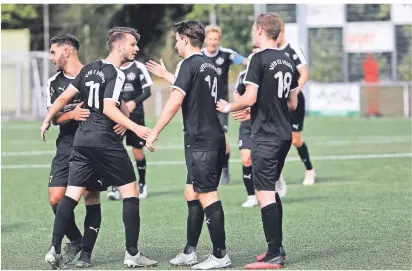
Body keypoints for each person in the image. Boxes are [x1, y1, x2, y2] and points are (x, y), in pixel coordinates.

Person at [41, 27, 158, 269]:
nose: (136, 49)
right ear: (118, 46)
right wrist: (136, 128)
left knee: (72, 195)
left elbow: (63, 100)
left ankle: (54, 249)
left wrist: (46, 119)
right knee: (130, 191)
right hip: (104, 140)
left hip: (81, 142)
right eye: (133, 44)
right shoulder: (116, 73)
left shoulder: (89, 68)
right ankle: (132, 254)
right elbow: (109, 108)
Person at [145, 20, 231, 270]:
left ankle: (220, 255)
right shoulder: (207, 63)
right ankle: (189, 252)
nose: (175, 43)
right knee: (191, 192)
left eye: (176, 39)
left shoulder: (188, 63)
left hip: (202, 140)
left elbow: (176, 100)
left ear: (184, 39)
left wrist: (155, 131)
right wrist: (167, 76)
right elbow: (192, 89)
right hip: (208, 137)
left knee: (207, 194)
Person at [216, 13, 299, 269]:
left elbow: (250, 97)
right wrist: (260, 109)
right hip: (284, 134)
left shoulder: (258, 58)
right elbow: (292, 102)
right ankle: (276, 249)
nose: (253, 32)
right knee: (271, 190)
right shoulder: (287, 59)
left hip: (266, 135)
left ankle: (274, 256)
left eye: (254, 29)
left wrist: (229, 106)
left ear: (261, 30)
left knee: (264, 193)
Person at [46, 33, 104, 267]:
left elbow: (113, 104)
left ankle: (86, 254)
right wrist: (71, 114)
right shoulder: (54, 83)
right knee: (55, 198)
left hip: (93, 145)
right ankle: (75, 239)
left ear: (67, 51)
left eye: (53, 52)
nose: (51, 57)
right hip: (66, 144)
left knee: (91, 196)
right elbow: (54, 118)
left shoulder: (95, 75)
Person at [201, 25, 247, 185]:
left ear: (219, 40)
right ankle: (208, 170)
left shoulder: (227, 54)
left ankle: (225, 167)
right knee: (205, 140)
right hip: (203, 106)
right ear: (205, 39)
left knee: (223, 140)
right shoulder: (198, 56)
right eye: (210, 38)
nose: (213, 42)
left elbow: (246, 62)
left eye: (216, 39)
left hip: (221, 104)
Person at [276, 22, 316, 186]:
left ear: (283, 31)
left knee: (295, 138)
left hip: (295, 101)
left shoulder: (291, 48)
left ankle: (309, 170)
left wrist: (294, 91)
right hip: (276, 104)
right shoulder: (266, 51)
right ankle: (276, 176)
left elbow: (304, 73)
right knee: (275, 139)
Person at [107, 59, 153, 200]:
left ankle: (142, 184)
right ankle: (115, 186)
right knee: (115, 149)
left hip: (135, 114)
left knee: (137, 152)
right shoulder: (112, 68)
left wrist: (133, 103)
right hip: (117, 114)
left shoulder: (139, 67)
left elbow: (147, 91)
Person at [363, 53, 382, 117]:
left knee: (372, 98)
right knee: (372, 98)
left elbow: (366, 71)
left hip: (371, 82)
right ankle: (373, 111)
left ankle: (373, 111)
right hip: (373, 82)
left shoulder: (366, 63)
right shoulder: (373, 63)